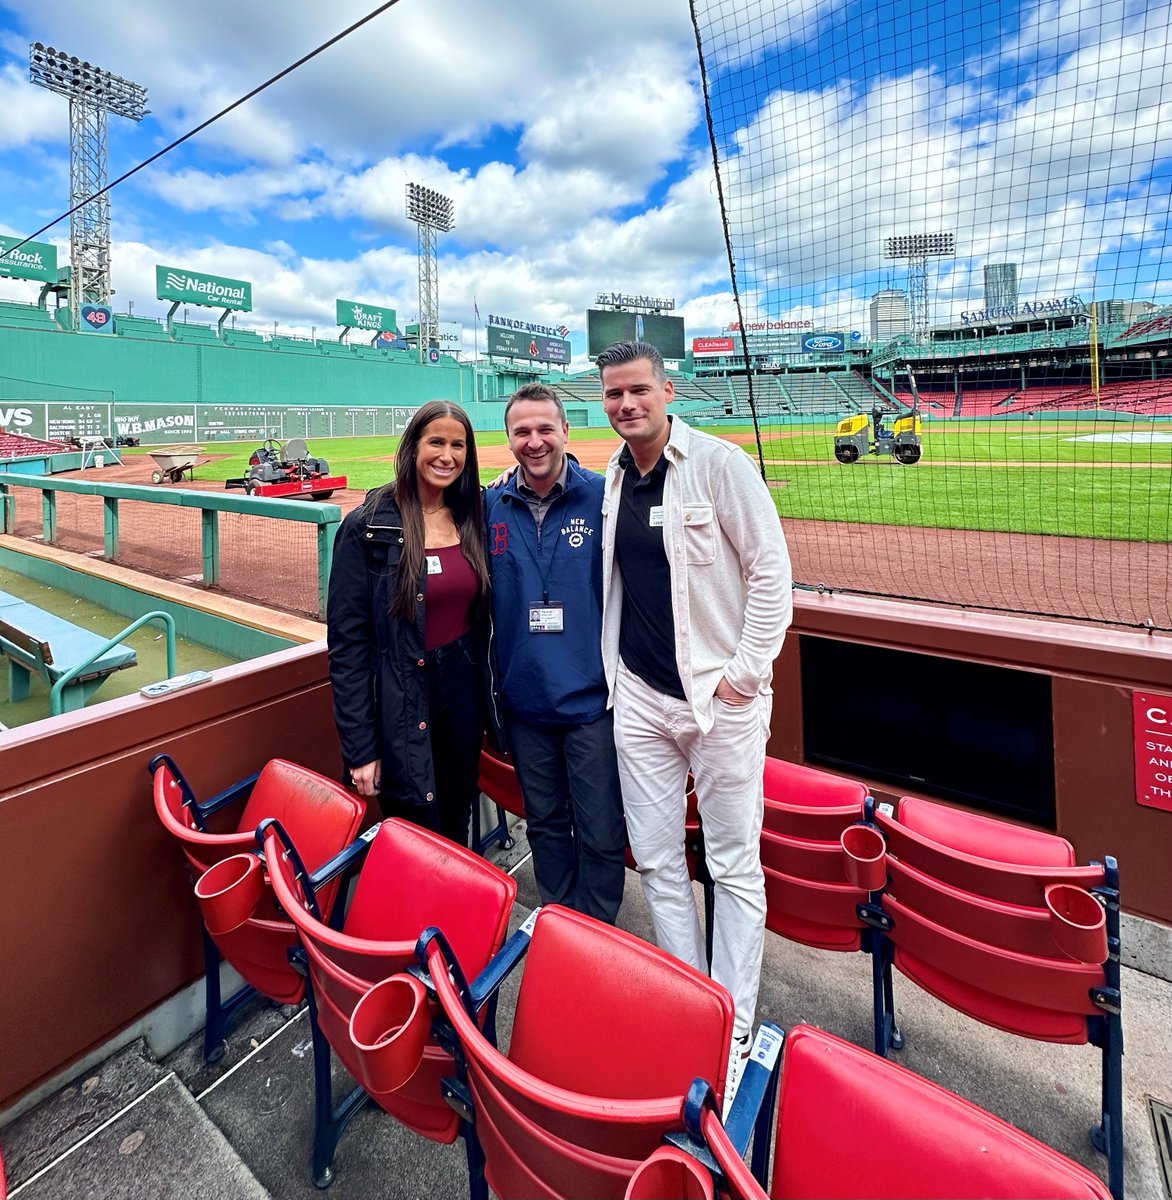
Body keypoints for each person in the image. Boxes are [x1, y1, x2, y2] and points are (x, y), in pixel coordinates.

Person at [596, 340, 793, 1098]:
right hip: (641, 700)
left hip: (720, 703)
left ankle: (733, 1027)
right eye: (614, 394)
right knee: (657, 863)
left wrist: (745, 677)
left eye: (638, 390)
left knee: (733, 865)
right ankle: (689, 1005)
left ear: (666, 389)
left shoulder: (719, 464)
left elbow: (773, 571)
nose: (626, 405)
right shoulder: (612, 477)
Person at [484, 383, 626, 922]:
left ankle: (597, 927)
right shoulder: (490, 502)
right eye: (522, 431)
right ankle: (561, 919)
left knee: (599, 826)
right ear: (509, 439)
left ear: (566, 431)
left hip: (591, 702)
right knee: (543, 821)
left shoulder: (603, 497)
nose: (535, 441)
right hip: (525, 704)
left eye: (546, 429)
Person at [327, 400, 490, 845]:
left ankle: (454, 915)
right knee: (414, 835)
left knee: (456, 825)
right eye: (435, 442)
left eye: (458, 445)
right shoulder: (367, 526)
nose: (447, 455)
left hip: (463, 700)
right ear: (413, 447)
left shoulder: (473, 514)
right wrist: (360, 749)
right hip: (401, 701)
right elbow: (347, 645)